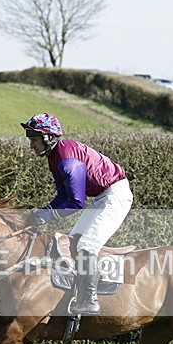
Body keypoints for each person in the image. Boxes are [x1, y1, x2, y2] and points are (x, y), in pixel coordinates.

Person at [22, 113, 133, 316]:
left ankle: (90, 300)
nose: (31, 145)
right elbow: (63, 195)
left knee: (86, 245)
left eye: (34, 139)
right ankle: (74, 294)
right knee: (73, 243)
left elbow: (75, 202)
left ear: (48, 138)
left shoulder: (66, 160)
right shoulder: (54, 158)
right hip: (102, 196)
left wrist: (44, 217)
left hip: (115, 195)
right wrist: (39, 214)